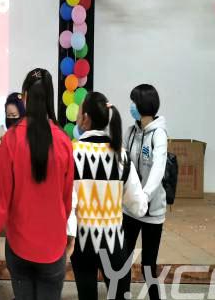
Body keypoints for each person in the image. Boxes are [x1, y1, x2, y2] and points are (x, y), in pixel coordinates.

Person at [0, 68, 74, 300]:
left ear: (24, 97)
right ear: (51, 98)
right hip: (53, 248)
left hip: (19, 246)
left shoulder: (11, 139)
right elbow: (66, 201)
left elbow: (1, 200)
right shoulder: (64, 142)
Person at [70, 92, 148, 300]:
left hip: (82, 241)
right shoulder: (121, 155)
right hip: (114, 242)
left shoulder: (72, 153)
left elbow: (67, 202)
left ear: (85, 117)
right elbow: (139, 207)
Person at [122, 84, 168, 300]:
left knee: (148, 265)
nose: (131, 106)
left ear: (142, 105)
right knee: (123, 260)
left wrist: (145, 196)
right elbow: (121, 162)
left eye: (134, 102)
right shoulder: (130, 132)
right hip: (130, 209)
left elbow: (158, 168)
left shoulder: (159, 134)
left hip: (152, 211)